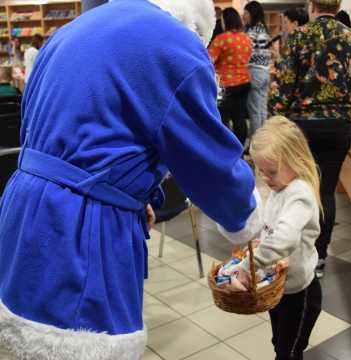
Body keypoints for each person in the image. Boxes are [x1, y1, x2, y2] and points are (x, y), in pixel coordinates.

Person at [0, 0, 260, 359]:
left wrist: (138, 195)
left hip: (20, 212)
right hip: (81, 228)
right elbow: (207, 158)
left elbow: (94, 133)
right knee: (79, 343)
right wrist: (245, 216)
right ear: (198, 28)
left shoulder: (75, 29)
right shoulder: (174, 45)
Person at [268, 0, 351, 279]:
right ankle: (320, 257)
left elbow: (284, 89)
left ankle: (297, 252)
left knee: (298, 189)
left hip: (302, 127)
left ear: (311, 6)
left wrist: (277, 113)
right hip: (338, 126)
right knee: (326, 191)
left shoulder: (299, 36)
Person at [223, 116, 322, 360]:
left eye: (272, 171)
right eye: (260, 171)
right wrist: (255, 244)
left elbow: (284, 240)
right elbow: (271, 229)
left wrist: (248, 265)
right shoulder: (280, 186)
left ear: (296, 160)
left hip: (301, 292)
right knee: (279, 341)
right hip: (280, 288)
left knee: (288, 352)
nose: (265, 178)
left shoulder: (300, 194)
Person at [208, 7, 252, 145]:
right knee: (240, 118)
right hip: (244, 82)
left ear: (225, 21)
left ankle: (226, 149)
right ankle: (240, 150)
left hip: (226, 85)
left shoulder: (221, 39)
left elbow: (208, 60)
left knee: (223, 118)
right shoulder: (246, 38)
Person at [243, 1, 271, 137]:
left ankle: (255, 142)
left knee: (254, 110)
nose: (244, 16)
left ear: (252, 14)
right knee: (262, 109)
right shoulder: (264, 29)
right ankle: (263, 140)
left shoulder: (252, 31)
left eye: (246, 13)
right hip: (265, 71)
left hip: (254, 71)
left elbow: (248, 53)